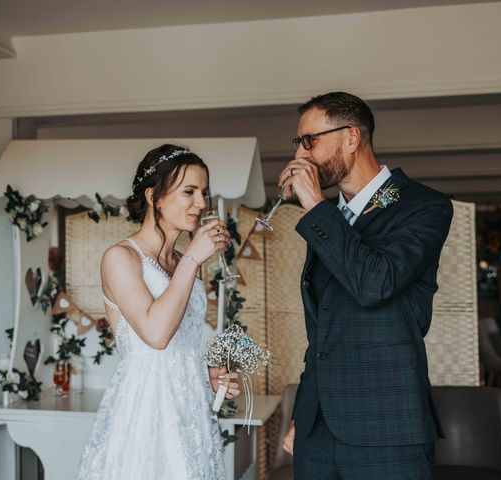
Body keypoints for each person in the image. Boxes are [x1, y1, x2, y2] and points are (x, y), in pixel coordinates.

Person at [280, 92, 453, 479]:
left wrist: (315, 207)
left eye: (311, 140)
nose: (302, 154)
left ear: (352, 137)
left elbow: (374, 284)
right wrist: (307, 414)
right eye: (299, 143)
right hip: (318, 431)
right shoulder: (329, 218)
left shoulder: (425, 207)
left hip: (387, 427)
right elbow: (322, 330)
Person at [76, 144, 240, 480]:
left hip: (189, 408)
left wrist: (206, 374)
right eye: (189, 192)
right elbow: (156, 334)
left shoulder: (181, 263)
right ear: (155, 197)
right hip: (146, 413)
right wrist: (194, 258)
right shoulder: (121, 257)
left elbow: (181, 345)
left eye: (204, 192)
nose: (201, 204)